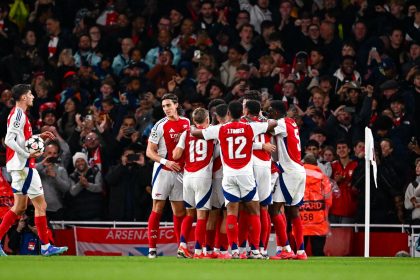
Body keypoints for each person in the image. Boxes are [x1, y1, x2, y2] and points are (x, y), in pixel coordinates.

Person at [191, 101, 277, 259]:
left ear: (228, 114)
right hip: (246, 175)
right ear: (241, 113)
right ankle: (256, 251)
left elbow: (196, 133)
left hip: (228, 175)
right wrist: (260, 119)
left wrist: (193, 129)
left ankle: (235, 251)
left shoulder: (220, 129)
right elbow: (273, 123)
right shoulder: (250, 127)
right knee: (254, 210)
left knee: (231, 212)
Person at [0, 84, 67, 256]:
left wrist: (38, 137)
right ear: (23, 97)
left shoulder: (21, 115)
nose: (32, 97)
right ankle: (45, 246)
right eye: (30, 94)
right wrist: (26, 154)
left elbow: (22, 139)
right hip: (23, 167)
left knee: (26, 207)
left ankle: (46, 246)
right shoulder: (18, 114)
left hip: (24, 166)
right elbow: (9, 139)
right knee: (29, 207)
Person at [146, 93, 190, 258]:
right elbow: (149, 151)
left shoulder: (187, 122)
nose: (166, 109)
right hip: (163, 171)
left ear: (176, 105)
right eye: (164, 106)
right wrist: (166, 162)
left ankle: (181, 249)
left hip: (180, 172)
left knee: (179, 212)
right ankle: (152, 249)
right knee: (157, 208)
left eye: (169, 105)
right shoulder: (159, 125)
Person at [173, 108, 215, 258]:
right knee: (202, 215)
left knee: (189, 214)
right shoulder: (212, 131)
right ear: (207, 119)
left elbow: (176, 155)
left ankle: (183, 246)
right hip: (203, 176)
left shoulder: (186, 133)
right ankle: (198, 251)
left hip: (188, 177)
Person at [269, 100, 308, 260]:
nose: (269, 114)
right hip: (299, 170)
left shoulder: (280, 124)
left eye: (270, 111)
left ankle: (285, 248)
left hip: (289, 171)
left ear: (276, 112)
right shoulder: (291, 122)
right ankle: (300, 251)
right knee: (293, 211)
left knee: (274, 209)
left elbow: (265, 128)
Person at [301, 153, 332, 256]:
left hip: (301, 220)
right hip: (318, 221)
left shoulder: (298, 176)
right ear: (316, 164)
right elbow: (328, 200)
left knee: (299, 252)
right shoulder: (323, 178)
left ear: (303, 163)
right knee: (318, 253)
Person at [404, 158, 420, 224]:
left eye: (419, 166)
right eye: (416, 165)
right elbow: (407, 205)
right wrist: (414, 203)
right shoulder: (411, 185)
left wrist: (416, 201)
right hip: (416, 219)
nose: (417, 167)